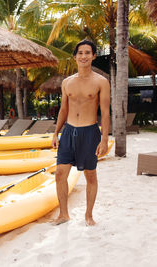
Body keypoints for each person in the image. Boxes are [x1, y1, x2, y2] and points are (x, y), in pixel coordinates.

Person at [52, 39, 110, 226]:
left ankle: (89, 215)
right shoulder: (67, 82)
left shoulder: (101, 81)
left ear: (93, 56)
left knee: (90, 175)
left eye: (87, 52)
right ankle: (63, 214)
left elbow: (106, 112)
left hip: (89, 133)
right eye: (80, 53)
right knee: (60, 174)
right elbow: (63, 110)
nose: (83, 56)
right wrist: (56, 133)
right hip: (68, 132)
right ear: (75, 56)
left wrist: (104, 139)